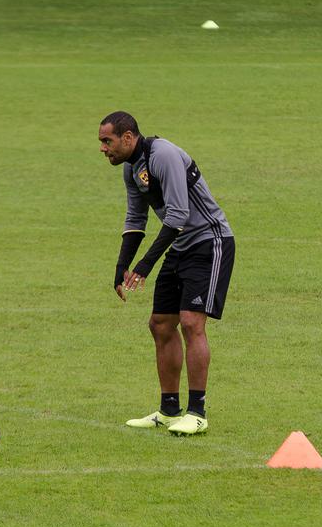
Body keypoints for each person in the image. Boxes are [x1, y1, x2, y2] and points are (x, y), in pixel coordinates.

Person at [98, 111, 234, 436]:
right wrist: (121, 268)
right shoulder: (132, 168)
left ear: (128, 137)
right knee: (160, 324)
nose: (103, 148)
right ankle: (169, 409)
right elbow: (135, 218)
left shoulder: (164, 156)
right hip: (181, 243)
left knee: (191, 322)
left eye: (108, 141)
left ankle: (197, 412)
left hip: (209, 241)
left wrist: (144, 267)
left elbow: (178, 215)